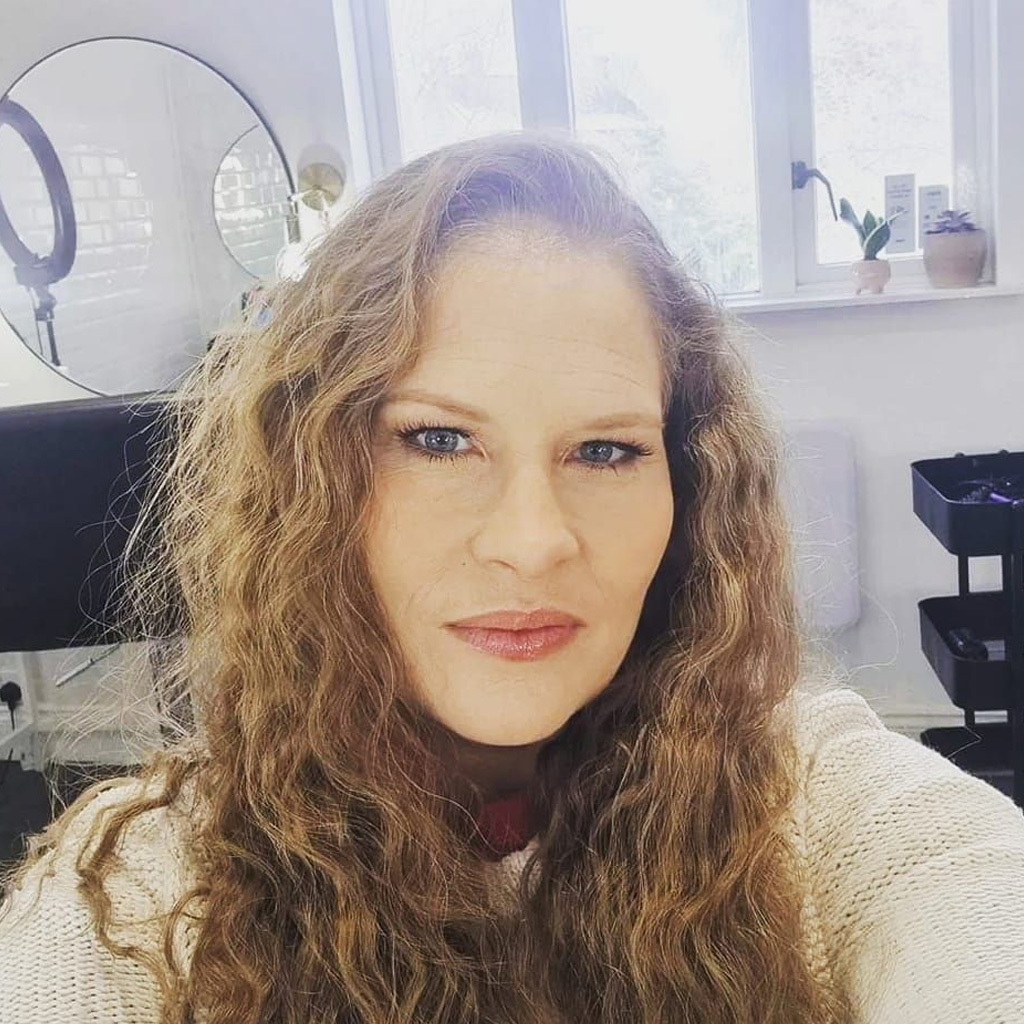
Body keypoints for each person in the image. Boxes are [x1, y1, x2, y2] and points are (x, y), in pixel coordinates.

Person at [1, 130, 1023, 1024]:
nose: (533, 542)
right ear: (310, 478)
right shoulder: (135, 896)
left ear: (687, 487)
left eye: (606, 451)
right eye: (438, 440)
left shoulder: (803, 795)